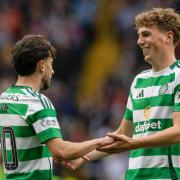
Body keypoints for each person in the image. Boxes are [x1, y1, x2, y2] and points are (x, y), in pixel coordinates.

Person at [70, 8, 180, 180]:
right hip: (134, 176)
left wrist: (134, 143)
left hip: (166, 176)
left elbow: (178, 131)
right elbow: (124, 134)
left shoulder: (179, 75)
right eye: (139, 35)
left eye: (146, 34)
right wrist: (84, 156)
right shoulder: (139, 81)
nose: (139, 41)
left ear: (168, 37)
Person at [0, 35, 113, 180]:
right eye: (51, 63)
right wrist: (100, 141)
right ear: (42, 65)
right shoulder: (37, 102)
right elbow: (61, 151)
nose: (52, 71)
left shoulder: (3, 99)